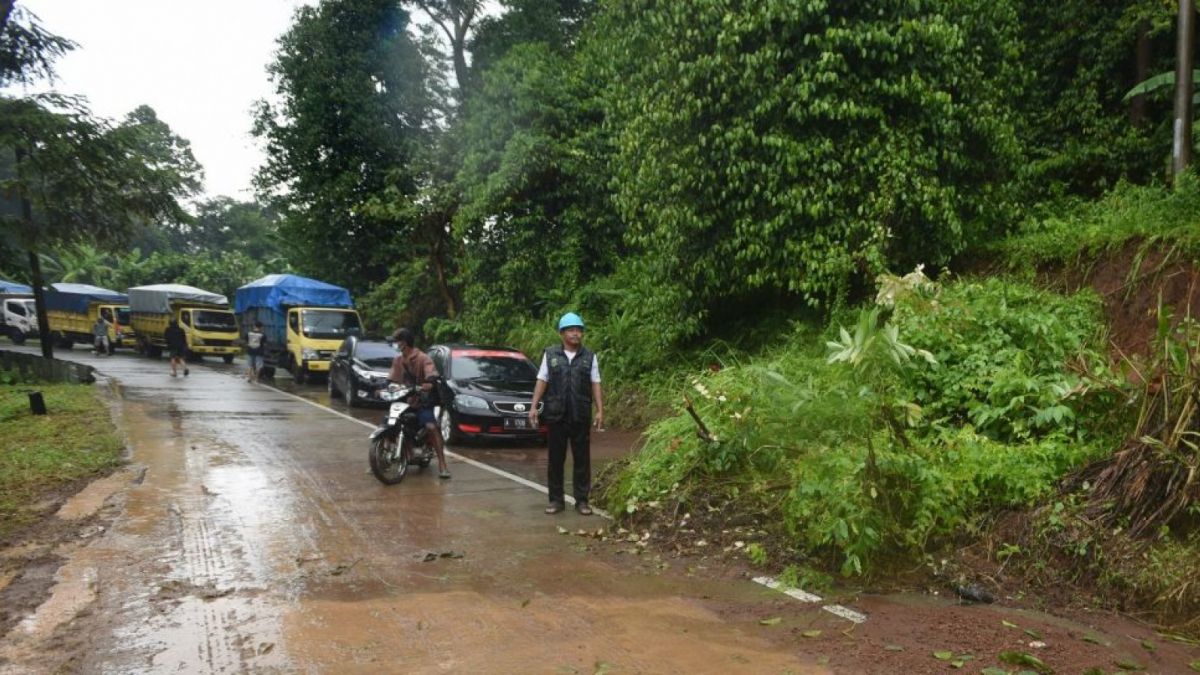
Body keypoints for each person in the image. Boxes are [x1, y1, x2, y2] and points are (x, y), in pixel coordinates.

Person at [529, 312, 604, 516]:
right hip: (556, 415)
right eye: (571, 330)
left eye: (579, 330)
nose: (576, 334)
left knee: (582, 459)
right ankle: (556, 501)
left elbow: (595, 382)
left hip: (580, 414)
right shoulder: (551, 354)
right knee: (555, 459)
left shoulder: (589, 356)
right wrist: (534, 406)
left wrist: (600, 410)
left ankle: (582, 501)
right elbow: (542, 380)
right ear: (562, 333)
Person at [388, 327, 450, 479]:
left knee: (431, 427)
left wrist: (428, 383)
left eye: (398, 341)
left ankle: (443, 464)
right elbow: (391, 379)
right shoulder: (398, 360)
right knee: (388, 422)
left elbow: (431, 374)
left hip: (421, 402)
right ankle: (380, 459)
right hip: (403, 401)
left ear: (405, 343)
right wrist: (386, 386)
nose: (396, 345)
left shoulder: (423, 358)